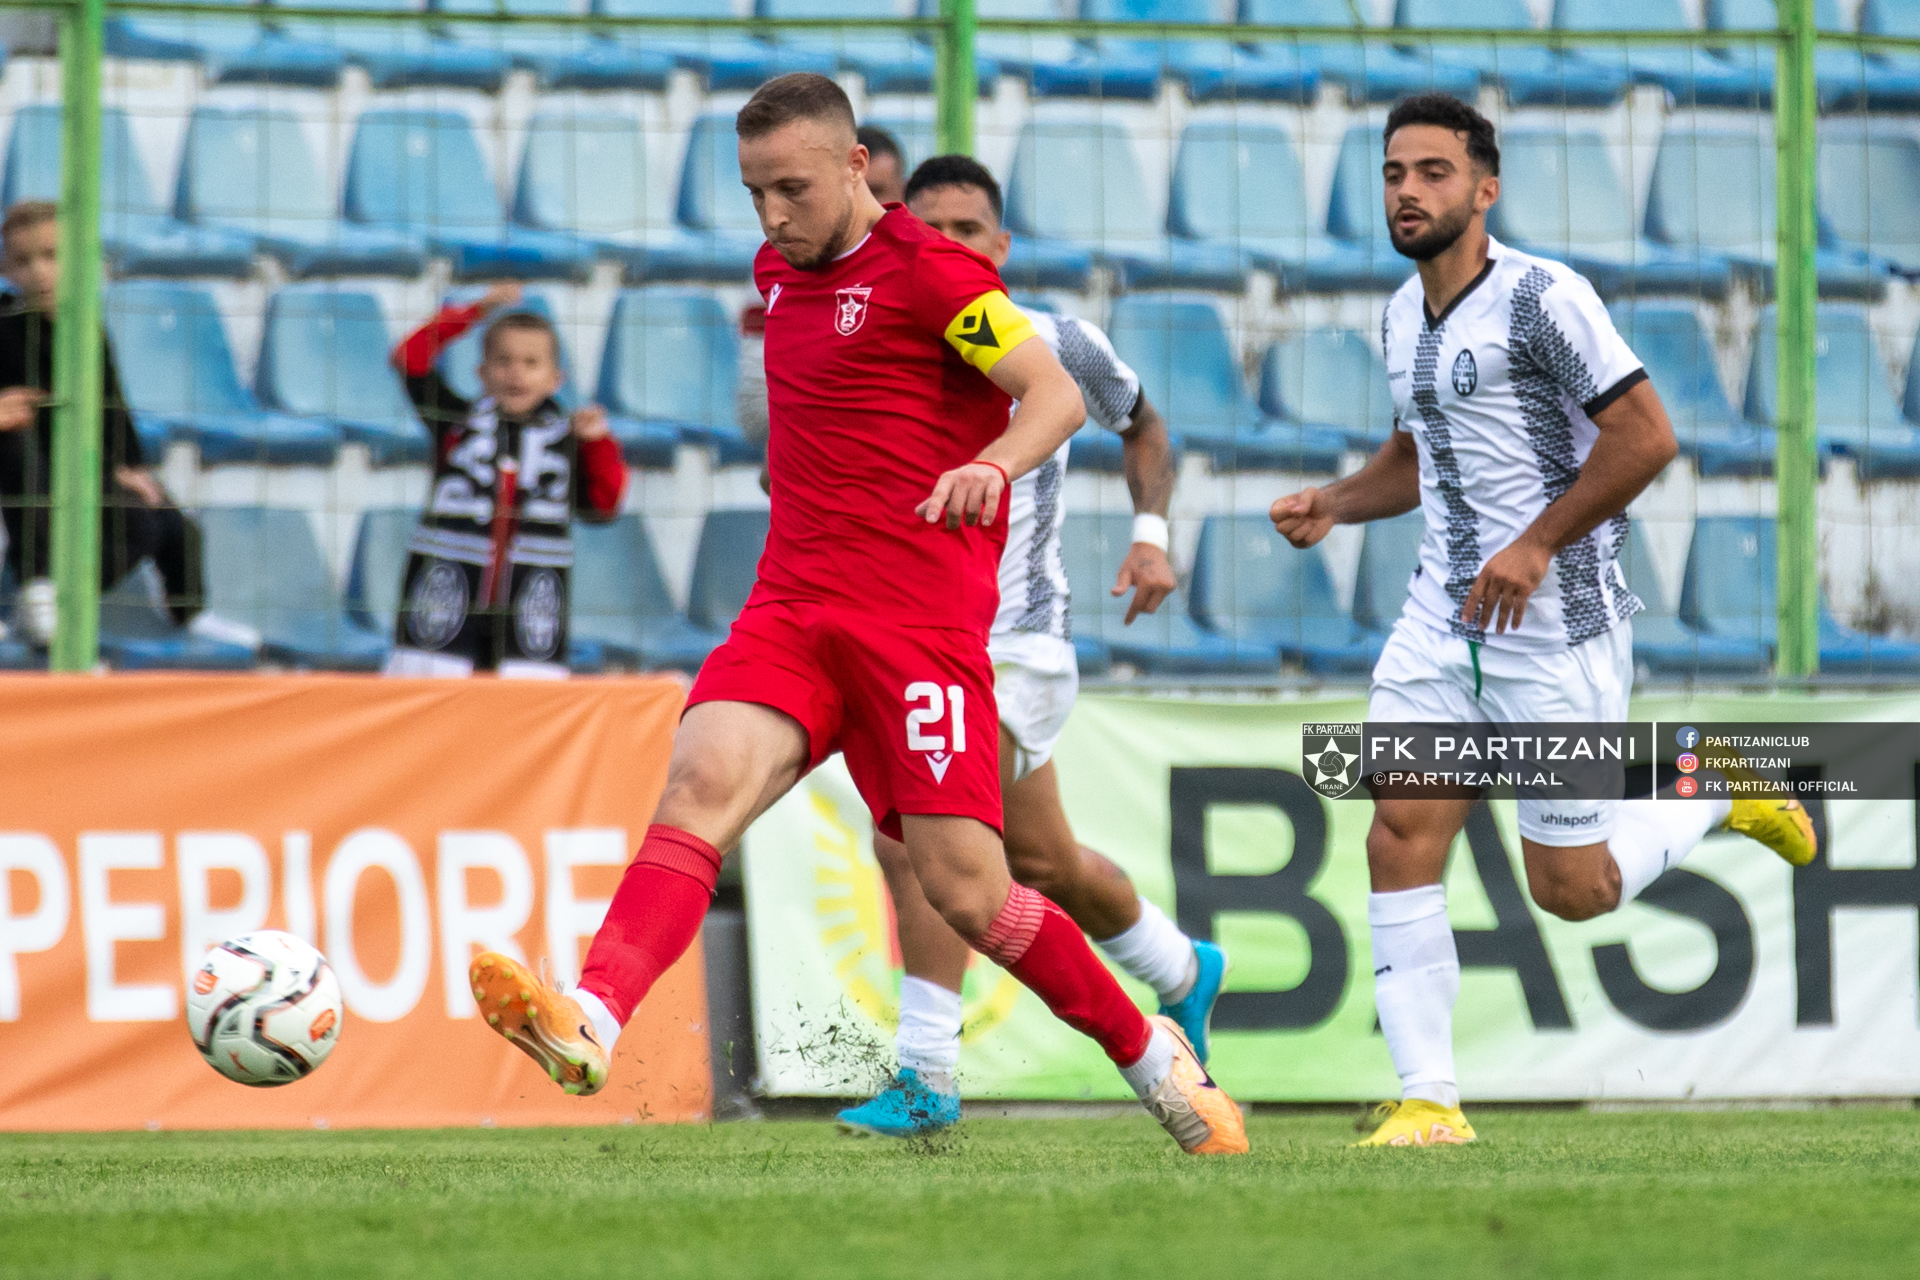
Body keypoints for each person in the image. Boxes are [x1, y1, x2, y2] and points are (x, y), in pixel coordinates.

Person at [468, 74, 1247, 1156]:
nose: (771, 216)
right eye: (753, 192)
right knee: (698, 785)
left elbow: (1058, 394)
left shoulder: (936, 276)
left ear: (855, 166)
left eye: (791, 188)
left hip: (919, 631)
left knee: (973, 893)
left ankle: (1152, 1059)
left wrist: (991, 464)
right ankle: (592, 1015)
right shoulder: (777, 274)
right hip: (791, 611)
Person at [1269, 93, 1817, 1148]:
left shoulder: (1542, 298)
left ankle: (1717, 782)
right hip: (1439, 623)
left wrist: (1536, 542)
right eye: (1393, 173)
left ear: (1486, 188)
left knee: (1573, 890)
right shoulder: (1398, 313)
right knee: (1398, 832)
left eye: (1433, 172)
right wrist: (1336, 501)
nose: (1408, 191)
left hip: (1555, 628)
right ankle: (1431, 1101)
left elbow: (1646, 437)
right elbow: (1419, 453)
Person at [836, 154, 1223, 1140]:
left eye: (969, 229)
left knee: (916, 833)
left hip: (1016, 643)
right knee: (1043, 860)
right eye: (931, 229)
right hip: (918, 636)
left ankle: (926, 1071)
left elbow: (1145, 426)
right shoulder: (877, 338)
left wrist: (1151, 536)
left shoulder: (1054, 342)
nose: (949, 244)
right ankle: (1183, 966)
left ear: (1001, 246)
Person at [384, 282, 626, 678]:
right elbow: (408, 357)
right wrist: (475, 312)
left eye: (531, 363)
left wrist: (597, 444)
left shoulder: (567, 440)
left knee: (524, 708)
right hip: (443, 603)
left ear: (556, 378)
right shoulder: (455, 422)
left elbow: (603, 505)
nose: (516, 373)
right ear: (481, 372)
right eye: (504, 361)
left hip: (530, 614)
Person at [0, 200, 204, 646]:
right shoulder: (3, 325)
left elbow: (112, 403)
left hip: (80, 466)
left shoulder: (85, 328)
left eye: (52, 256)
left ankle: (188, 618)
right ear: (6, 269)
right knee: (17, 449)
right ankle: (37, 588)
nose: (39, 272)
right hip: (23, 466)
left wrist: (131, 465)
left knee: (167, 524)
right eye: (23, 261)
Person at [737, 124, 905, 466]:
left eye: (878, 191)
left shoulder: (921, 269)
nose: (866, 202)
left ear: (903, 191)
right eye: (855, 189)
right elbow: (754, 406)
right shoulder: (778, 266)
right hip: (813, 466)